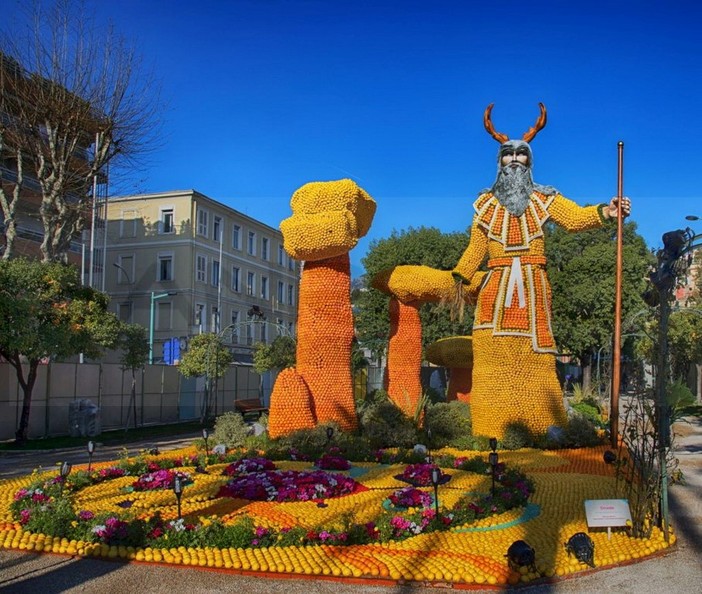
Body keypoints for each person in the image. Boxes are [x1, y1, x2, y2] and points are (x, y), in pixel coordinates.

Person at [452, 104, 630, 438]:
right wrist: (457, 278)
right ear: (500, 162)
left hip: (533, 285)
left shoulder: (544, 198)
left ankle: (541, 422)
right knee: (490, 351)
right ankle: (491, 424)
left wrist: (606, 211)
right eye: (508, 155)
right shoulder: (484, 205)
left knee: (536, 352)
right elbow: (475, 247)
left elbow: (575, 218)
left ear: (529, 162)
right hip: (496, 286)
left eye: (521, 155)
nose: (515, 160)